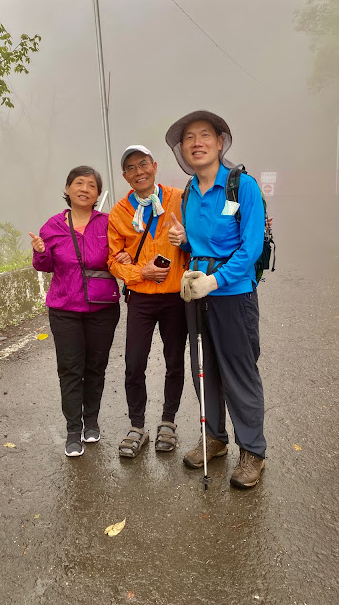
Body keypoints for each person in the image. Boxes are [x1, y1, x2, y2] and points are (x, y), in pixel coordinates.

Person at [166, 110, 267, 489]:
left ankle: (252, 451)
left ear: (220, 141)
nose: (196, 143)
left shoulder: (243, 187)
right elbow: (201, 245)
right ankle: (214, 438)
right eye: (189, 137)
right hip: (196, 294)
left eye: (204, 135)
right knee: (203, 369)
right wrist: (185, 243)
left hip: (233, 296)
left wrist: (216, 280)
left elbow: (250, 247)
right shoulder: (191, 192)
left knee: (239, 373)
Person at [29, 166, 130, 458]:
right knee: (70, 369)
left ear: (98, 193)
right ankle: (74, 431)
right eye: (79, 183)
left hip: (102, 308)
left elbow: (120, 256)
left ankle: (92, 421)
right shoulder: (53, 226)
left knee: (95, 367)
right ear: (68, 188)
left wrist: (123, 256)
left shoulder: (109, 223)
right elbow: (45, 266)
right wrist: (40, 251)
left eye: (91, 185)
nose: (84, 189)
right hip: (65, 308)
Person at [107, 145, 189, 458]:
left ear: (154, 166)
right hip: (140, 298)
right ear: (125, 176)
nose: (139, 171)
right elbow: (113, 260)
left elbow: (199, 238)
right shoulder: (119, 212)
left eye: (144, 164)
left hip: (175, 297)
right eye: (132, 167)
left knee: (174, 362)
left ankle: (168, 422)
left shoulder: (179, 199)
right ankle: (137, 425)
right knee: (134, 364)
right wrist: (141, 271)